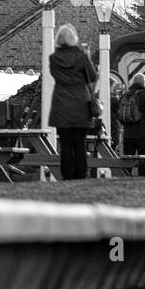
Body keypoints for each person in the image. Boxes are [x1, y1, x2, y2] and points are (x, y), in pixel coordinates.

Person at [48, 24, 98, 181]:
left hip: (61, 102)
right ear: (73, 39)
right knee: (80, 143)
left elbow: (55, 76)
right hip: (81, 103)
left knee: (66, 144)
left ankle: (67, 175)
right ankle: (81, 175)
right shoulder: (82, 56)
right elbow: (92, 75)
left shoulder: (53, 58)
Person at [117, 73, 145, 177]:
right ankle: (144, 180)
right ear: (143, 83)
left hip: (128, 134)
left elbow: (120, 113)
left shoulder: (125, 95)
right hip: (143, 134)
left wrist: (125, 125)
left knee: (127, 159)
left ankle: (125, 178)